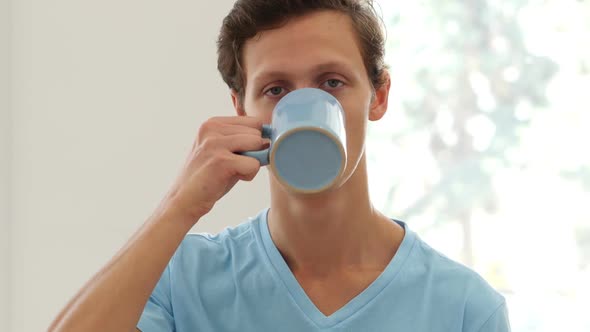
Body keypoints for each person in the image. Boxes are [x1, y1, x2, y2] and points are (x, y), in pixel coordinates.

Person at [48, 0, 511, 331]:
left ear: (379, 95)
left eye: (331, 82)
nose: (305, 104)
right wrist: (179, 205)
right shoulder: (180, 278)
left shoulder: (465, 308)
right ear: (240, 106)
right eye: (276, 90)